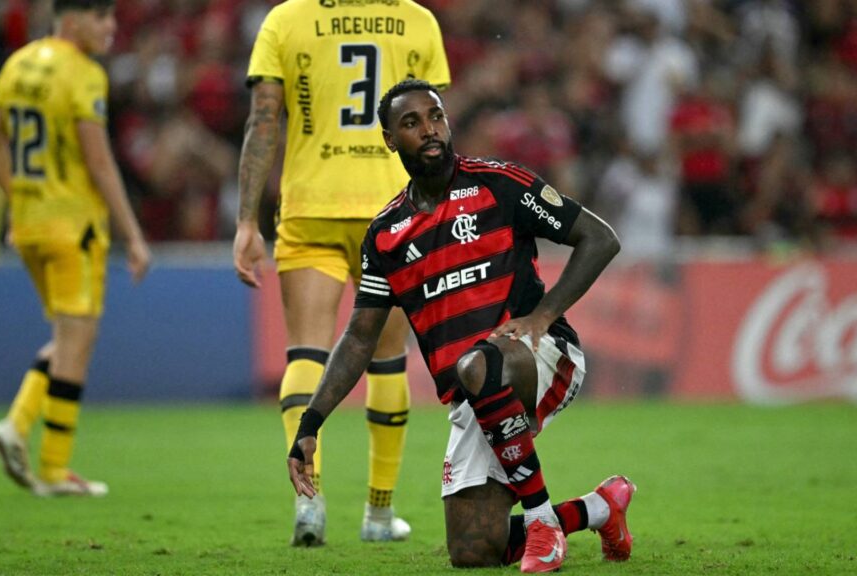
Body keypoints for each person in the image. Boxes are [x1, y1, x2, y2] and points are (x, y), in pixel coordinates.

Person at [286, 79, 635, 573]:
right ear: (389, 139)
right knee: (474, 551)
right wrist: (311, 423)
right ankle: (601, 508)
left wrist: (542, 317)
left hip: (542, 356)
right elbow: (360, 337)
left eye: (436, 117)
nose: (429, 130)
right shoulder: (386, 235)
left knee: (476, 362)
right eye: (411, 123)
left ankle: (541, 523)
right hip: (475, 392)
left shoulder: (499, 184)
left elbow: (599, 239)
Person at [232, 0, 450, 546]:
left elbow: (264, 120)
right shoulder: (415, 19)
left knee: (305, 353)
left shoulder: (287, 19)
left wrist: (244, 222)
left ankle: (309, 503)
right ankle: (379, 514)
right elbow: (433, 131)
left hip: (311, 206)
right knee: (387, 360)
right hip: (394, 211)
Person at [0, 0, 150, 497]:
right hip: (74, 226)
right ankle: (25, 434)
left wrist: (18, 197)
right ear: (71, 20)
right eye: (102, 17)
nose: (112, 27)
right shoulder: (83, 73)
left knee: (71, 336)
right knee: (77, 338)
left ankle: (50, 465)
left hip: (30, 226)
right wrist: (133, 234)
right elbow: (99, 161)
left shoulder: (18, 62)